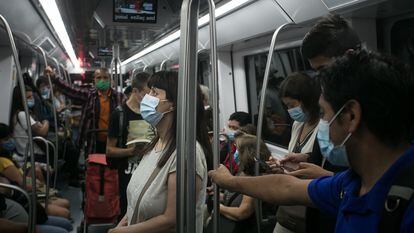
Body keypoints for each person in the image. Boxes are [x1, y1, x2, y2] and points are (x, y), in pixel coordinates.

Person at [209, 49, 414, 232]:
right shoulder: (351, 182)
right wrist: (230, 182)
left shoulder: (406, 204)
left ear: (351, 116)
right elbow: (285, 187)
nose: (323, 124)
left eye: (325, 115)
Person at [108, 71, 212, 233]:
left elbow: (173, 219)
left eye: (154, 93)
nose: (147, 97)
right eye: (149, 92)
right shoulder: (155, 144)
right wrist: (125, 222)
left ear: (173, 103)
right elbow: (137, 200)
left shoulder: (186, 153)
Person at [106, 72, 154, 218]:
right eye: (147, 93)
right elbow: (109, 150)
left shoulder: (153, 114)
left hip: (149, 172)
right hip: (127, 174)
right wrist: (131, 151)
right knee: (127, 214)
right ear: (135, 91)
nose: (150, 98)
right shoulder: (119, 114)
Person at [206, 134, 276, 233]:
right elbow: (235, 197)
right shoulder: (243, 173)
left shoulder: (256, 180)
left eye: (237, 150)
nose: (235, 153)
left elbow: (242, 212)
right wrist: (217, 195)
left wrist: (218, 208)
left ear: (246, 153)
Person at [48, 66, 125, 154]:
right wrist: (54, 77)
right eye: (99, 78)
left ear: (110, 80)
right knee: (94, 166)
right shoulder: (89, 95)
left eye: (105, 77)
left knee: (113, 166)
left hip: (114, 142)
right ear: (94, 80)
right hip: (93, 141)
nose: (102, 80)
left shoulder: (120, 97)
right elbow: (70, 89)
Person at [10, 86, 49, 166]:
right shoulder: (22, 115)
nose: (32, 99)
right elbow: (42, 131)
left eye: (32, 96)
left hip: (28, 153)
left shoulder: (19, 113)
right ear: (20, 99)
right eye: (28, 97)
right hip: (32, 154)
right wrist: (46, 122)